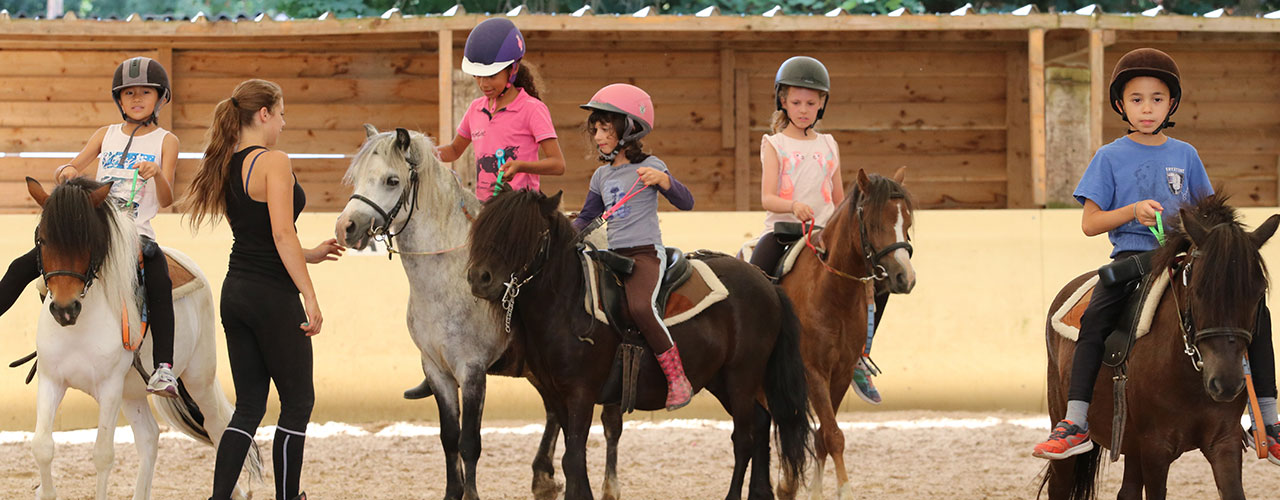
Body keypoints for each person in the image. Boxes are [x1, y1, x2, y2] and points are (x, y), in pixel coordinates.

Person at [1032, 48, 1279, 464]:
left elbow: (1210, 214)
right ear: (1120, 105)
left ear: (1172, 104)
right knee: (1095, 318)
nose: (1147, 109)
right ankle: (1074, 421)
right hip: (1133, 259)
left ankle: (1268, 422)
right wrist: (1132, 211)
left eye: (1157, 99)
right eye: (1136, 99)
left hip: (1185, 257)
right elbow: (1090, 223)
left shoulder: (1186, 154)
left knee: (1256, 313)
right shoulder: (1108, 157)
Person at [182, 79, 344, 500]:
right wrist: (309, 294)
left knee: (250, 406)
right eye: (283, 113)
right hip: (272, 296)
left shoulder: (228, 162)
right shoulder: (274, 161)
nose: (285, 124)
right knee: (297, 403)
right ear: (264, 114)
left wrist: (309, 253)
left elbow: (262, 239)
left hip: (236, 292)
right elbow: (280, 233)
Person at [403, 17, 566, 400]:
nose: (483, 84)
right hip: (480, 210)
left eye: (491, 75)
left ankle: (535, 350)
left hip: (519, 213)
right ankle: (441, 359)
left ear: (513, 70)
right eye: (478, 77)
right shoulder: (476, 109)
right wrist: (419, 153)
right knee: (447, 277)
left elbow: (557, 164)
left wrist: (523, 166)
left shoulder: (531, 110)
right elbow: (454, 151)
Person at [0, 56, 180, 397]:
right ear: (119, 100)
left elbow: (168, 199)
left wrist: (156, 174)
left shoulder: (166, 141)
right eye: (128, 94)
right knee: (24, 263)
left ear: (160, 98)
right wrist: (66, 172)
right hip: (97, 227)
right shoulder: (105, 134)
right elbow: (71, 165)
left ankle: (164, 369)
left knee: (158, 272)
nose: (137, 99)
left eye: (145, 92)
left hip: (135, 231)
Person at [747, 56, 888, 404]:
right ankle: (757, 357)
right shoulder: (774, 143)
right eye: (796, 102)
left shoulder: (829, 144)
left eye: (811, 103)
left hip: (827, 233)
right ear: (782, 101)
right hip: (785, 231)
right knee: (756, 282)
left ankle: (859, 355)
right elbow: (767, 197)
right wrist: (792, 205)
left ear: (823, 103)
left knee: (878, 282)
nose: (804, 109)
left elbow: (840, 199)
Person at [572, 83, 696, 409]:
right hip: (613, 257)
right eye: (595, 129)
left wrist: (665, 182)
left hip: (644, 254)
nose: (598, 136)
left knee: (641, 308)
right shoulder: (600, 176)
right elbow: (586, 217)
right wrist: (562, 235)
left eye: (604, 129)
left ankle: (677, 378)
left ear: (627, 129)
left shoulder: (652, 166)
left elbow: (686, 202)